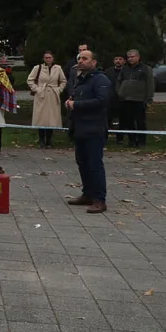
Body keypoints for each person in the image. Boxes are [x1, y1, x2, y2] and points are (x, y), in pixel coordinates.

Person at [66, 50, 112, 214]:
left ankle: (100, 199)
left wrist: (77, 105)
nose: (81, 61)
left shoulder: (101, 79)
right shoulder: (80, 79)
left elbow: (102, 101)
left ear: (94, 62)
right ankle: (88, 194)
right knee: (82, 163)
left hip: (94, 128)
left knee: (94, 165)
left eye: (85, 58)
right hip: (80, 128)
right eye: (79, 58)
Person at [27, 51, 67, 148]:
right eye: (46, 57)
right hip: (41, 95)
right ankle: (41, 139)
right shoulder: (38, 68)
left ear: (53, 58)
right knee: (41, 118)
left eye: (49, 57)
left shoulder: (58, 68)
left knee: (51, 118)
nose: (48, 59)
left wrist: (58, 89)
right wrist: (37, 89)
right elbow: (30, 80)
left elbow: (63, 81)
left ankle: (49, 140)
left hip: (53, 94)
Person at [117, 49, 154, 148]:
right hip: (126, 99)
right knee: (128, 121)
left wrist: (149, 99)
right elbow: (119, 81)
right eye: (128, 57)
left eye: (132, 57)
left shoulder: (146, 69)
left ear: (138, 57)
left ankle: (142, 141)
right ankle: (132, 140)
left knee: (140, 121)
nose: (130, 59)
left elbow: (150, 85)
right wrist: (120, 92)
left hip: (139, 99)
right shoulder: (124, 69)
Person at [104, 55, 125, 143]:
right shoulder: (108, 71)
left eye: (120, 59)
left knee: (122, 119)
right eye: (116, 59)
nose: (118, 61)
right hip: (110, 99)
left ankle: (119, 138)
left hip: (122, 99)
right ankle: (105, 137)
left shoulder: (126, 71)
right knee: (107, 119)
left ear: (124, 61)